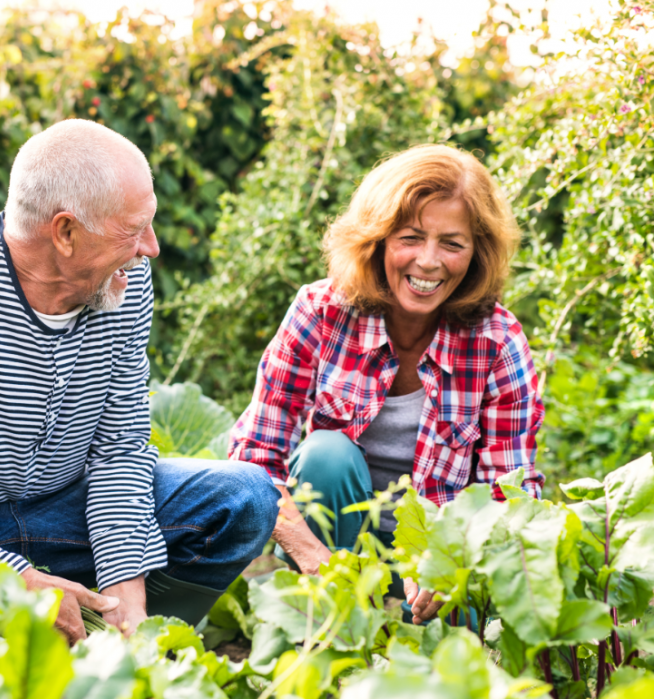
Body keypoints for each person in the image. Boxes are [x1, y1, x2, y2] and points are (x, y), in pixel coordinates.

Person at [0, 119, 279, 643]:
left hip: (66, 513)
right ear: (64, 232)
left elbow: (119, 452)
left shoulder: (121, 279)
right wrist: (8, 575)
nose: (150, 247)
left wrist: (127, 598)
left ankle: (105, 636)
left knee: (246, 500)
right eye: (134, 229)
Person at [229, 144, 544, 624]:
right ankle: (324, 626)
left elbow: (510, 493)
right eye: (411, 237)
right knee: (327, 454)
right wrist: (314, 559)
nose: (429, 262)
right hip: (330, 549)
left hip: (436, 564)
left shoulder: (497, 342)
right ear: (377, 238)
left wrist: (448, 563)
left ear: (477, 253)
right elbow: (254, 459)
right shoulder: (322, 312)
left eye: (452, 244)